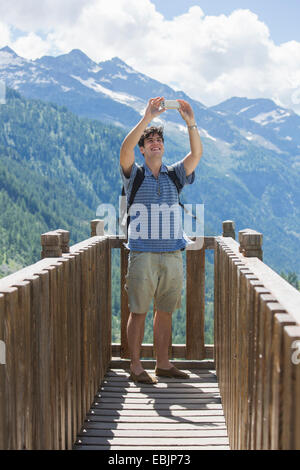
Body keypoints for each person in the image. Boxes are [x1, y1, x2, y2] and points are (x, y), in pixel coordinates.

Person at [119, 96, 203, 384]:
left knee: (165, 311)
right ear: (142, 150)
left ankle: (163, 364)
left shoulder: (175, 175)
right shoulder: (134, 175)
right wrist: (146, 118)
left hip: (172, 254)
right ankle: (136, 366)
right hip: (141, 253)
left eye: (159, 140)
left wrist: (191, 123)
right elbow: (124, 150)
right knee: (139, 311)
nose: (156, 143)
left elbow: (196, 155)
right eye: (150, 141)